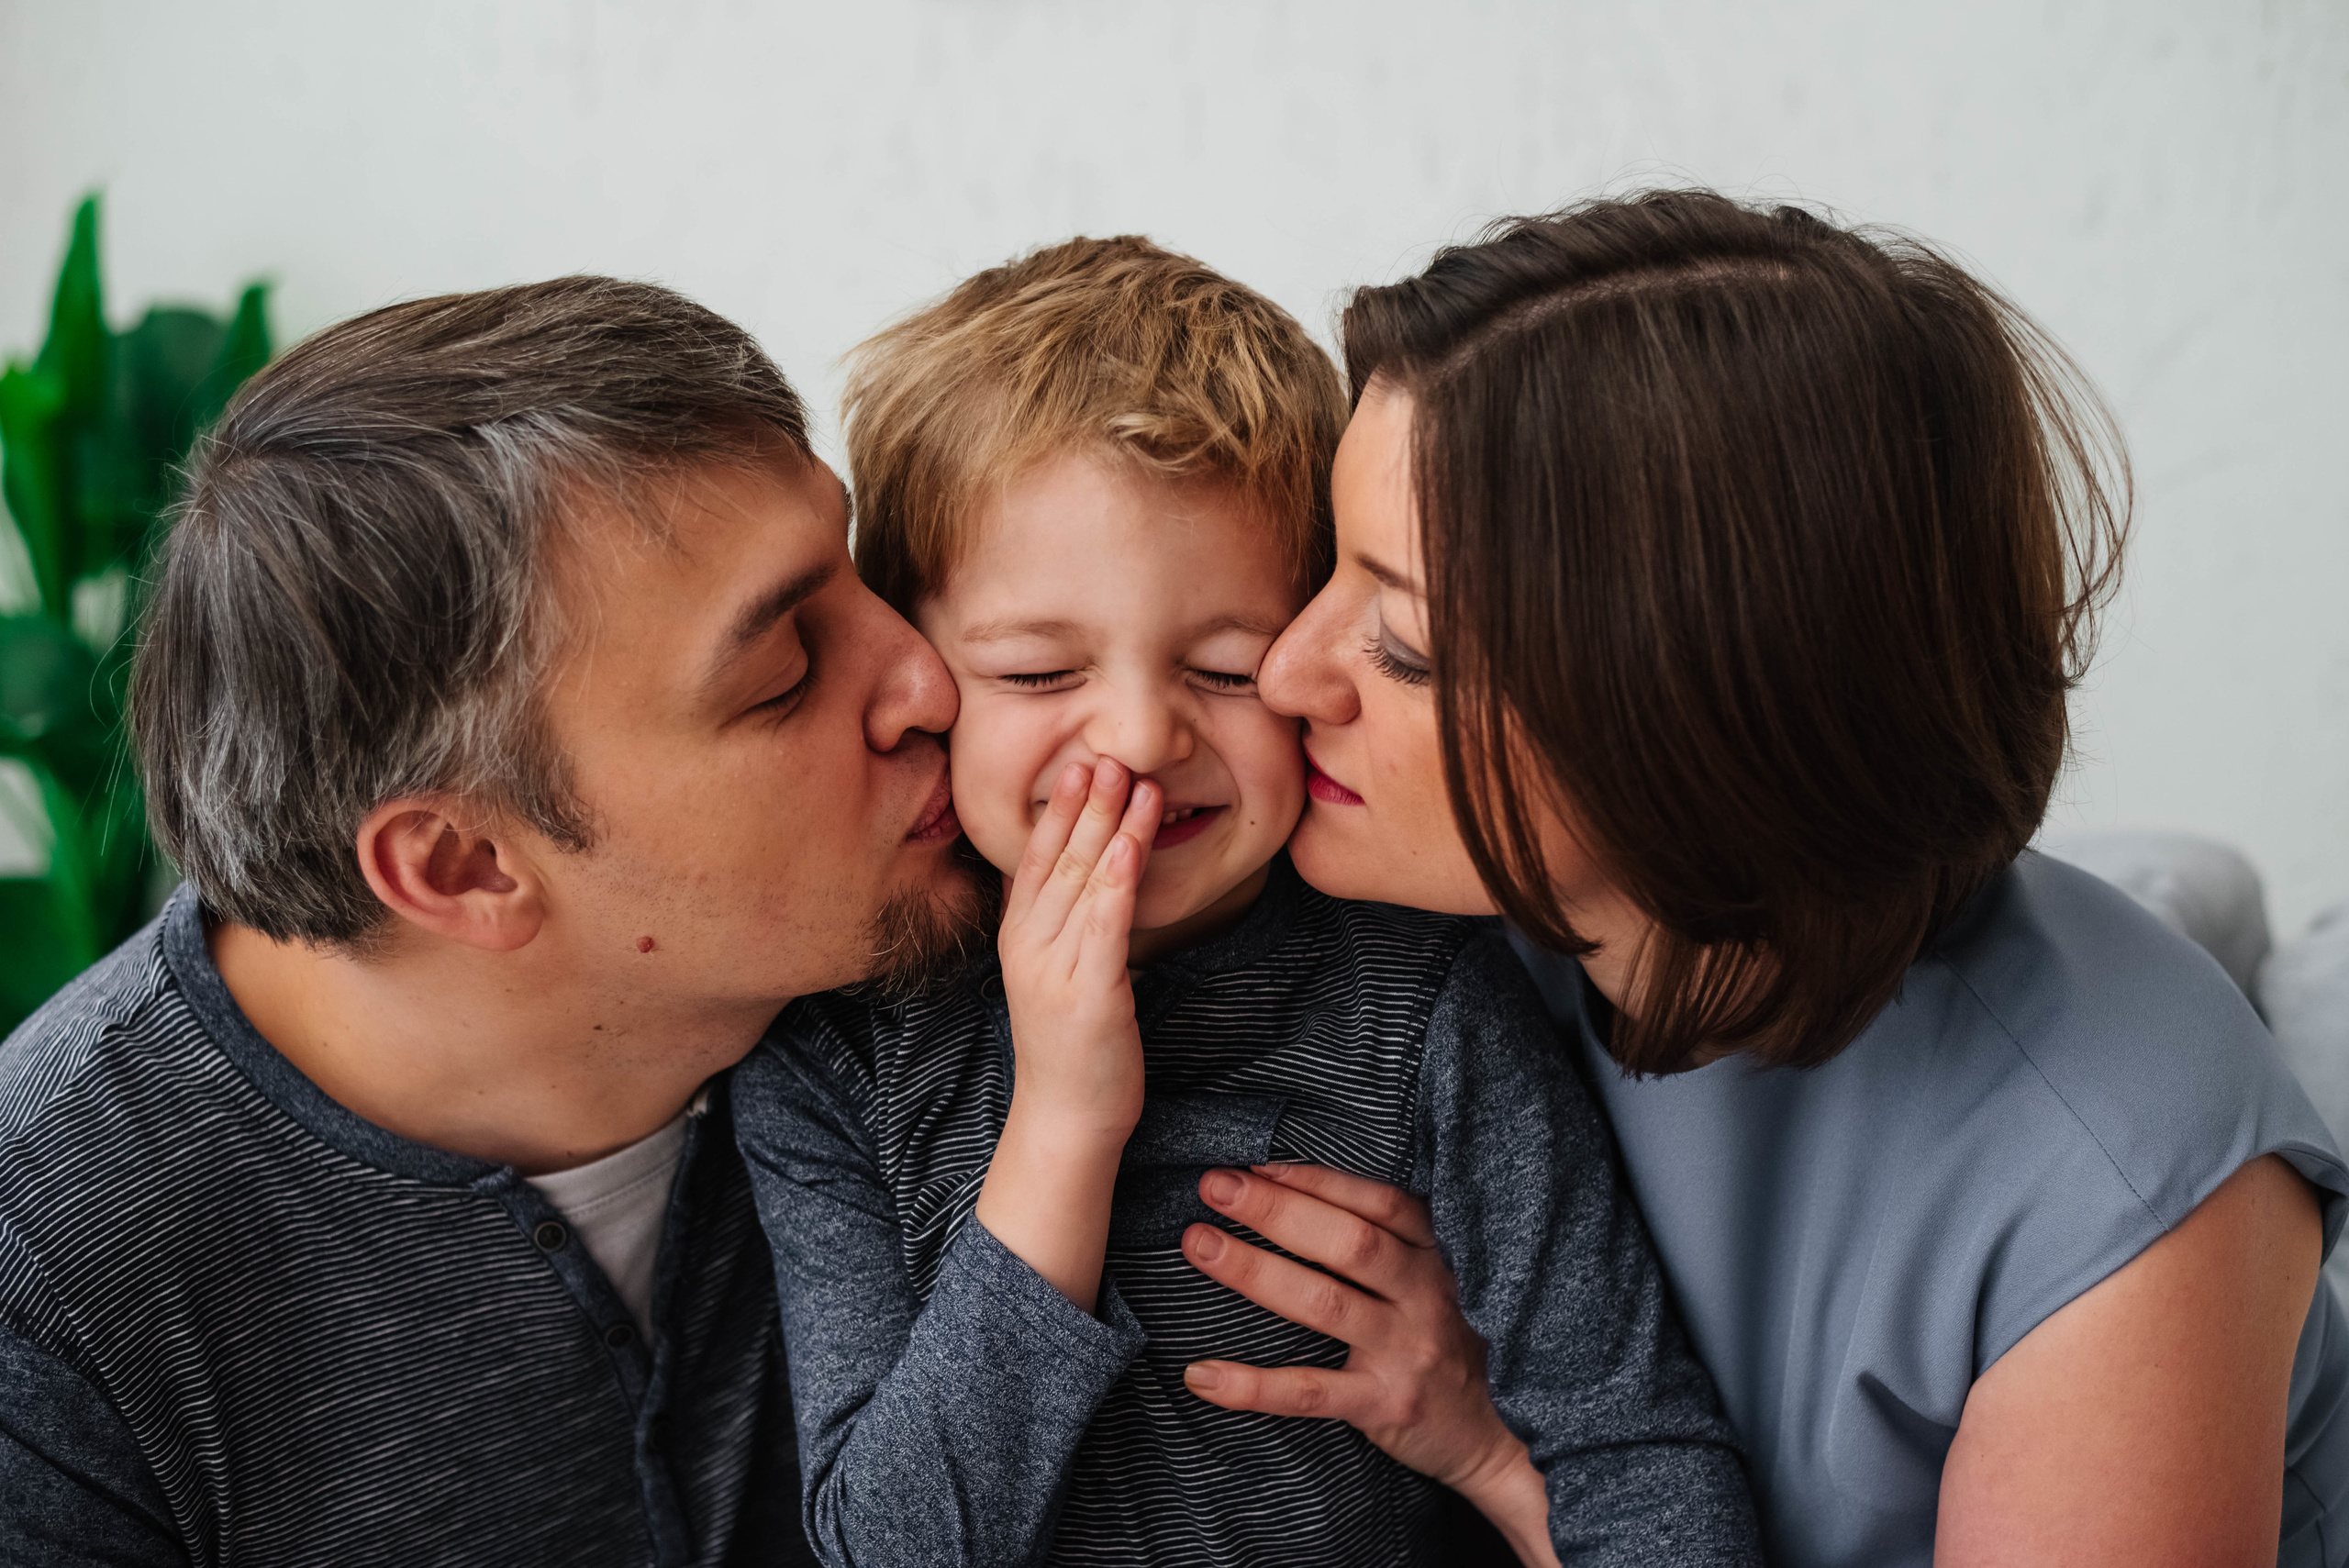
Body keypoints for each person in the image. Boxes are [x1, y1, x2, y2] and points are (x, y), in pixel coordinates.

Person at [1171, 190, 2349, 1566]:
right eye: (1329, 572)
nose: (1287, 671)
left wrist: (1499, 1453)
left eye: (1405, 644)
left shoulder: (2123, 1194)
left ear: (1687, 713)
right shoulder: (1418, 926)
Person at [735, 237, 1760, 1567]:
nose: (1143, 737)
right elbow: (891, 1546)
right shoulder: (833, 1042)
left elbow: (1634, 1455)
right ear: (922, 667)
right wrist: (1063, 1117)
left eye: (1226, 667)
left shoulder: (1427, 1002)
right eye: (1041, 673)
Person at [0, 277, 1001, 1563]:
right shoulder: (51, 1301)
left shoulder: (979, 929)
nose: (929, 677)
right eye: (785, 672)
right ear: (463, 864)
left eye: (854, 567)